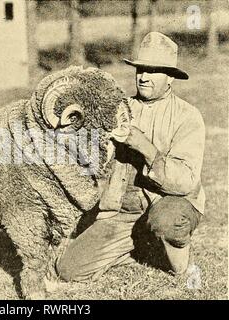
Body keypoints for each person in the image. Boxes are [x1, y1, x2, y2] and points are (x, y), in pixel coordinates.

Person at [56, 32, 206, 281]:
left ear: (170, 77)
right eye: (140, 69)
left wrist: (144, 146)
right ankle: (143, 244)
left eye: (153, 71)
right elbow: (90, 160)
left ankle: (181, 269)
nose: (144, 77)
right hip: (123, 211)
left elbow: (185, 182)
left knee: (166, 221)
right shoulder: (120, 108)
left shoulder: (187, 116)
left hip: (167, 203)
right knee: (69, 270)